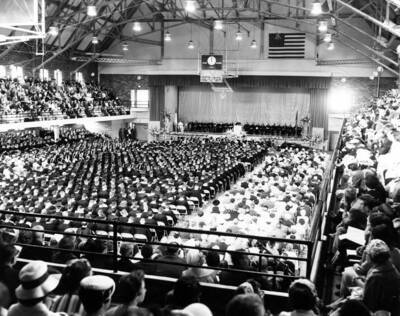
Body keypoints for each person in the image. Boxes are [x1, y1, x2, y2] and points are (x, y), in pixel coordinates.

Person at [362, 239, 400, 315]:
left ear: (370, 256)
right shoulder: (391, 267)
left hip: (376, 311)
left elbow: (367, 301)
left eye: (366, 253)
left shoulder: (375, 276)